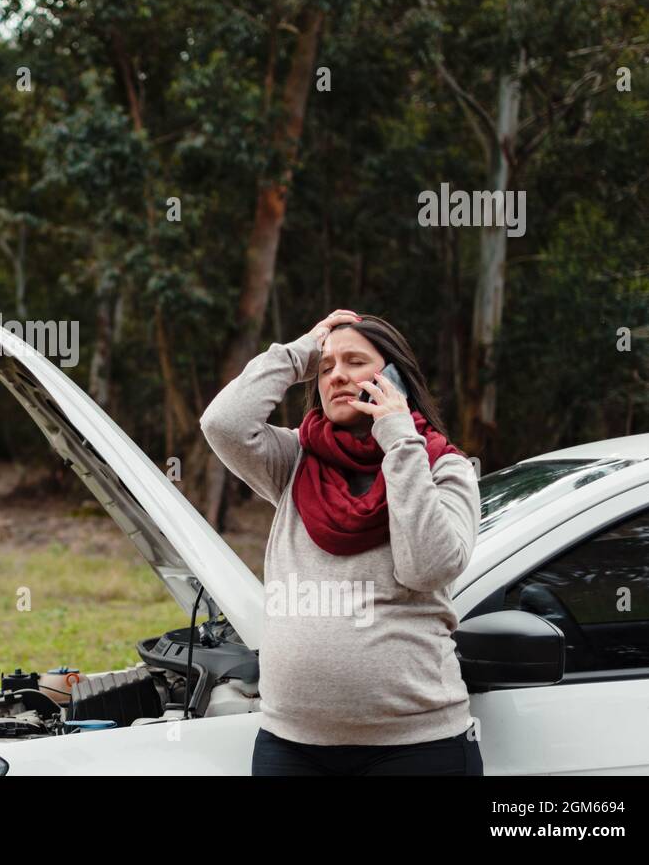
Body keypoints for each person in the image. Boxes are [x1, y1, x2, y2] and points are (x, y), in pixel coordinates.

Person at [199, 309, 483, 775]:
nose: (336, 376)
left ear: (395, 378)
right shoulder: (293, 460)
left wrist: (400, 443)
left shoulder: (442, 467)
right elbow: (224, 424)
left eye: (354, 362)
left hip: (415, 747)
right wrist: (300, 352)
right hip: (291, 745)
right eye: (327, 367)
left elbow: (426, 568)